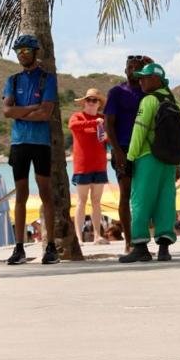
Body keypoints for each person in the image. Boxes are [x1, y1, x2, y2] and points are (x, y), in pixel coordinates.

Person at [1, 33, 59, 266]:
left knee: (45, 192)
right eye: (19, 51)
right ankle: (19, 248)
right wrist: (33, 108)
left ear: (35, 52)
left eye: (26, 50)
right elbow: (6, 111)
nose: (22, 54)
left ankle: (51, 246)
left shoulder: (47, 79)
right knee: (21, 194)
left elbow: (46, 113)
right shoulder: (12, 80)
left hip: (41, 143)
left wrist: (21, 110)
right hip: (19, 143)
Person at [119, 62, 180, 264]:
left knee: (140, 202)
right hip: (169, 161)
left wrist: (129, 158)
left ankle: (140, 246)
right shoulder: (171, 100)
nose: (141, 81)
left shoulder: (149, 100)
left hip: (148, 157)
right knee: (165, 201)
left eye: (144, 77)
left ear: (156, 79)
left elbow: (139, 131)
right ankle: (164, 248)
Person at [104, 55, 151, 254]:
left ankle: (142, 240)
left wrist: (151, 63)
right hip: (123, 148)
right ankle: (129, 241)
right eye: (129, 67)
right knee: (125, 194)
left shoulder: (148, 92)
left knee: (143, 196)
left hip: (146, 150)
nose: (132, 70)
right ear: (125, 70)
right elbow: (108, 124)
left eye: (137, 67)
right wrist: (117, 151)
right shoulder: (116, 92)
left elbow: (163, 83)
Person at [68, 88, 109, 244]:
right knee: (81, 201)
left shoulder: (103, 119)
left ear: (99, 104)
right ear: (84, 102)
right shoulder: (77, 116)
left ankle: (97, 235)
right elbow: (73, 126)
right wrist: (94, 122)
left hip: (100, 165)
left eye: (95, 100)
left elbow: (111, 135)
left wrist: (108, 136)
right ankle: (78, 238)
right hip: (82, 166)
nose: (91, 103)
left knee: (97, 201)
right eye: (89, 100)